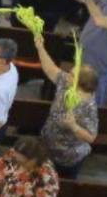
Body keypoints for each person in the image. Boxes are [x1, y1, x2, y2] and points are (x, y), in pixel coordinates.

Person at [31, 33, 99, 177]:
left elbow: (91, 137)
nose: (67, 74)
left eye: (71, 74)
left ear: (80, 84)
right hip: (47, 145)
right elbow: (50, 69)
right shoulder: (66, 83)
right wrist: (40, 47)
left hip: (67, 157)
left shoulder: (89, 107)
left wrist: (74, 126)